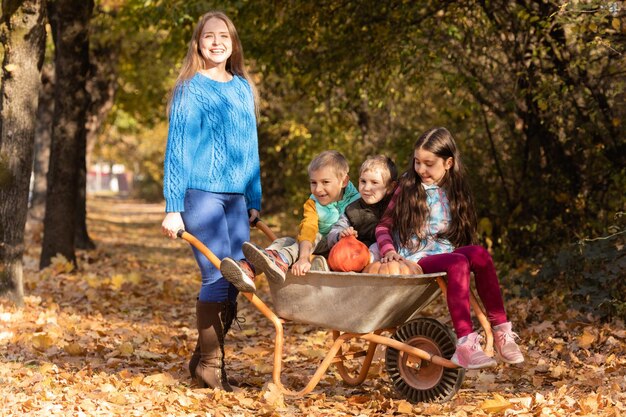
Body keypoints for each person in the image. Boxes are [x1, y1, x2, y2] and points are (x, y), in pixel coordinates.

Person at [160, 11, 262, 391]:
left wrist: (254, 196)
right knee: (218, 275)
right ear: (198, 43)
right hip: (199, 195)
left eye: (223, 36)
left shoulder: (242, 88)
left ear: (233, 43)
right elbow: (176, 150)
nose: (216, 42)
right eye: (209, 37)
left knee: (238, 277)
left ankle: (205, 358)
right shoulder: (190, 88)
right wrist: (173, 206)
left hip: (237, 198)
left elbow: (250, 147)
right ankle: (209, 365)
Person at [375, 127, 524, 370]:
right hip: (416, 257)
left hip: (444, 252)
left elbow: (461, 238)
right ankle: (465, 344)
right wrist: (388, 250)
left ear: (448, 163)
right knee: (457, 263)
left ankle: (501, 331)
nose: (421, 169)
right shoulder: (407, 186)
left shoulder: (455, 189)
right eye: (417, 162)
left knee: (481, 255)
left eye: (428, 163)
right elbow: (383, 226)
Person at [221, 150, 360, 292]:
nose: (318, 189)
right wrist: (304, 258)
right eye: (313, 182)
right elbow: (308, 228)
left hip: (343, 252)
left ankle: (280, 260)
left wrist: (304, 257)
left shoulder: (358, 201)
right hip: (314, 246)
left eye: (325, 182)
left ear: (344, 181)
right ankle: (250, 267)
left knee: (298, 245)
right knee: (285, 241)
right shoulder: (313, 203)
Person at [326, 155, 398, 260]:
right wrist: (340, 234)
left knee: (376, 246)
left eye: (374, 182)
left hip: (387, 255)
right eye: (363, 181)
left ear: (390, 187)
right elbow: (333, 232)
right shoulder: (352, 210)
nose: (366, 188)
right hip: (357, 254)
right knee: (339, 253)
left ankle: (368, 261)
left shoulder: (394, 208)